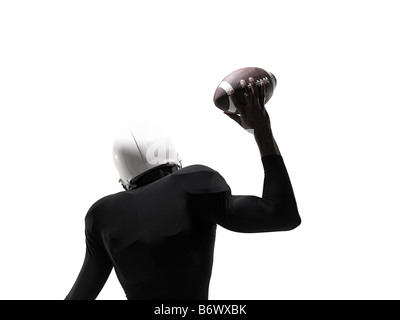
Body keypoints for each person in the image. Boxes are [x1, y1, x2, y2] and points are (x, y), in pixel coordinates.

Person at [65, 77, 301, 300]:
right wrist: (261, 129)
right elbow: (281, 214)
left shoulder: (103, 215)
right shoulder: (196, 183)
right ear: (176, 160)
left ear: (125, 181)